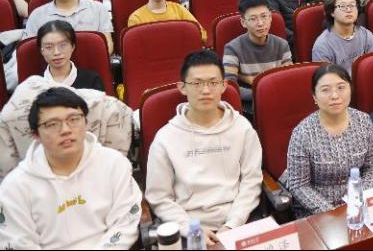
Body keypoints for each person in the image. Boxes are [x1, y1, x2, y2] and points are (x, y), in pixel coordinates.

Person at [0, 87, 142, 249]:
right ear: (36, 134)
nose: (66, 130)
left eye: (74, 119)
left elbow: (125, 223)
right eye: (52, 124)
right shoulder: (14, 188)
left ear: (86, 122)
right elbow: (17, 242)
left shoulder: (114, 164)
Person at [145, 50, 262, 245]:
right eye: (197, 83)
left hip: (239, 222)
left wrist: (232, 225)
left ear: (224, 85)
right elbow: (159, 196)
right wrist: (190, 228)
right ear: (182, 87)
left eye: (213, 82)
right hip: (187, 228)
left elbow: (252, 181)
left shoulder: (242, 128)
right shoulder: (165, 138)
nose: (206, 90)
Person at [286, 64, 373, 217]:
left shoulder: (363, 121)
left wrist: (357, 200)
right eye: (325, 90)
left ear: (350, 89)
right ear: (314, 97)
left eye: (341, 87)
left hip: (359, 203)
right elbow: (299, 185)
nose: (335, 96)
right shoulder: (303, 133)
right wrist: (331, 212)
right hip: (318, 212)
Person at [223, 0, 291, 103]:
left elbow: (288, 81)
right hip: (249, 104)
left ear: (270, 17)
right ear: (243, 22)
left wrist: (254, 82)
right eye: (253, 19)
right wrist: (262, 93)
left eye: (264, 16)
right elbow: (229, 87)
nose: (260, 23)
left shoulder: (282, 45)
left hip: (278, 99)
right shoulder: (232, 48)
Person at [312, 0, 373, 75]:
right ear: (332, 12)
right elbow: (326, 79)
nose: (349, 9)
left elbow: (372, 70)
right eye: (343, 6)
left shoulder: (366, 36)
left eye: (352, 5)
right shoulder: (322, 46)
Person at [36, 20, 104, 91]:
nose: (56, 52)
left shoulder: (92, 80)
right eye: (49, 47)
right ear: (41, 50)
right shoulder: (34, 85)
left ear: (72, 47)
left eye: (63, 45)